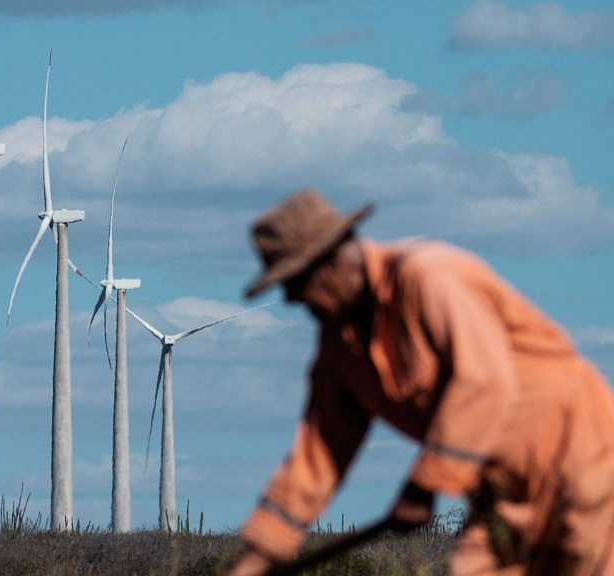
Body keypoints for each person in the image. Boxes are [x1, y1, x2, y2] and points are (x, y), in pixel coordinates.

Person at [227, 189, 614, 576]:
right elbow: (318, 454)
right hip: (500, 489)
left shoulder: (429, 277)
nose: (293, 301)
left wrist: (423, 486)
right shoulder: (339, 347)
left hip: (580, 456)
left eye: (294, 284)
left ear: (329, 263)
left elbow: (484, 381)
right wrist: (258, 558)